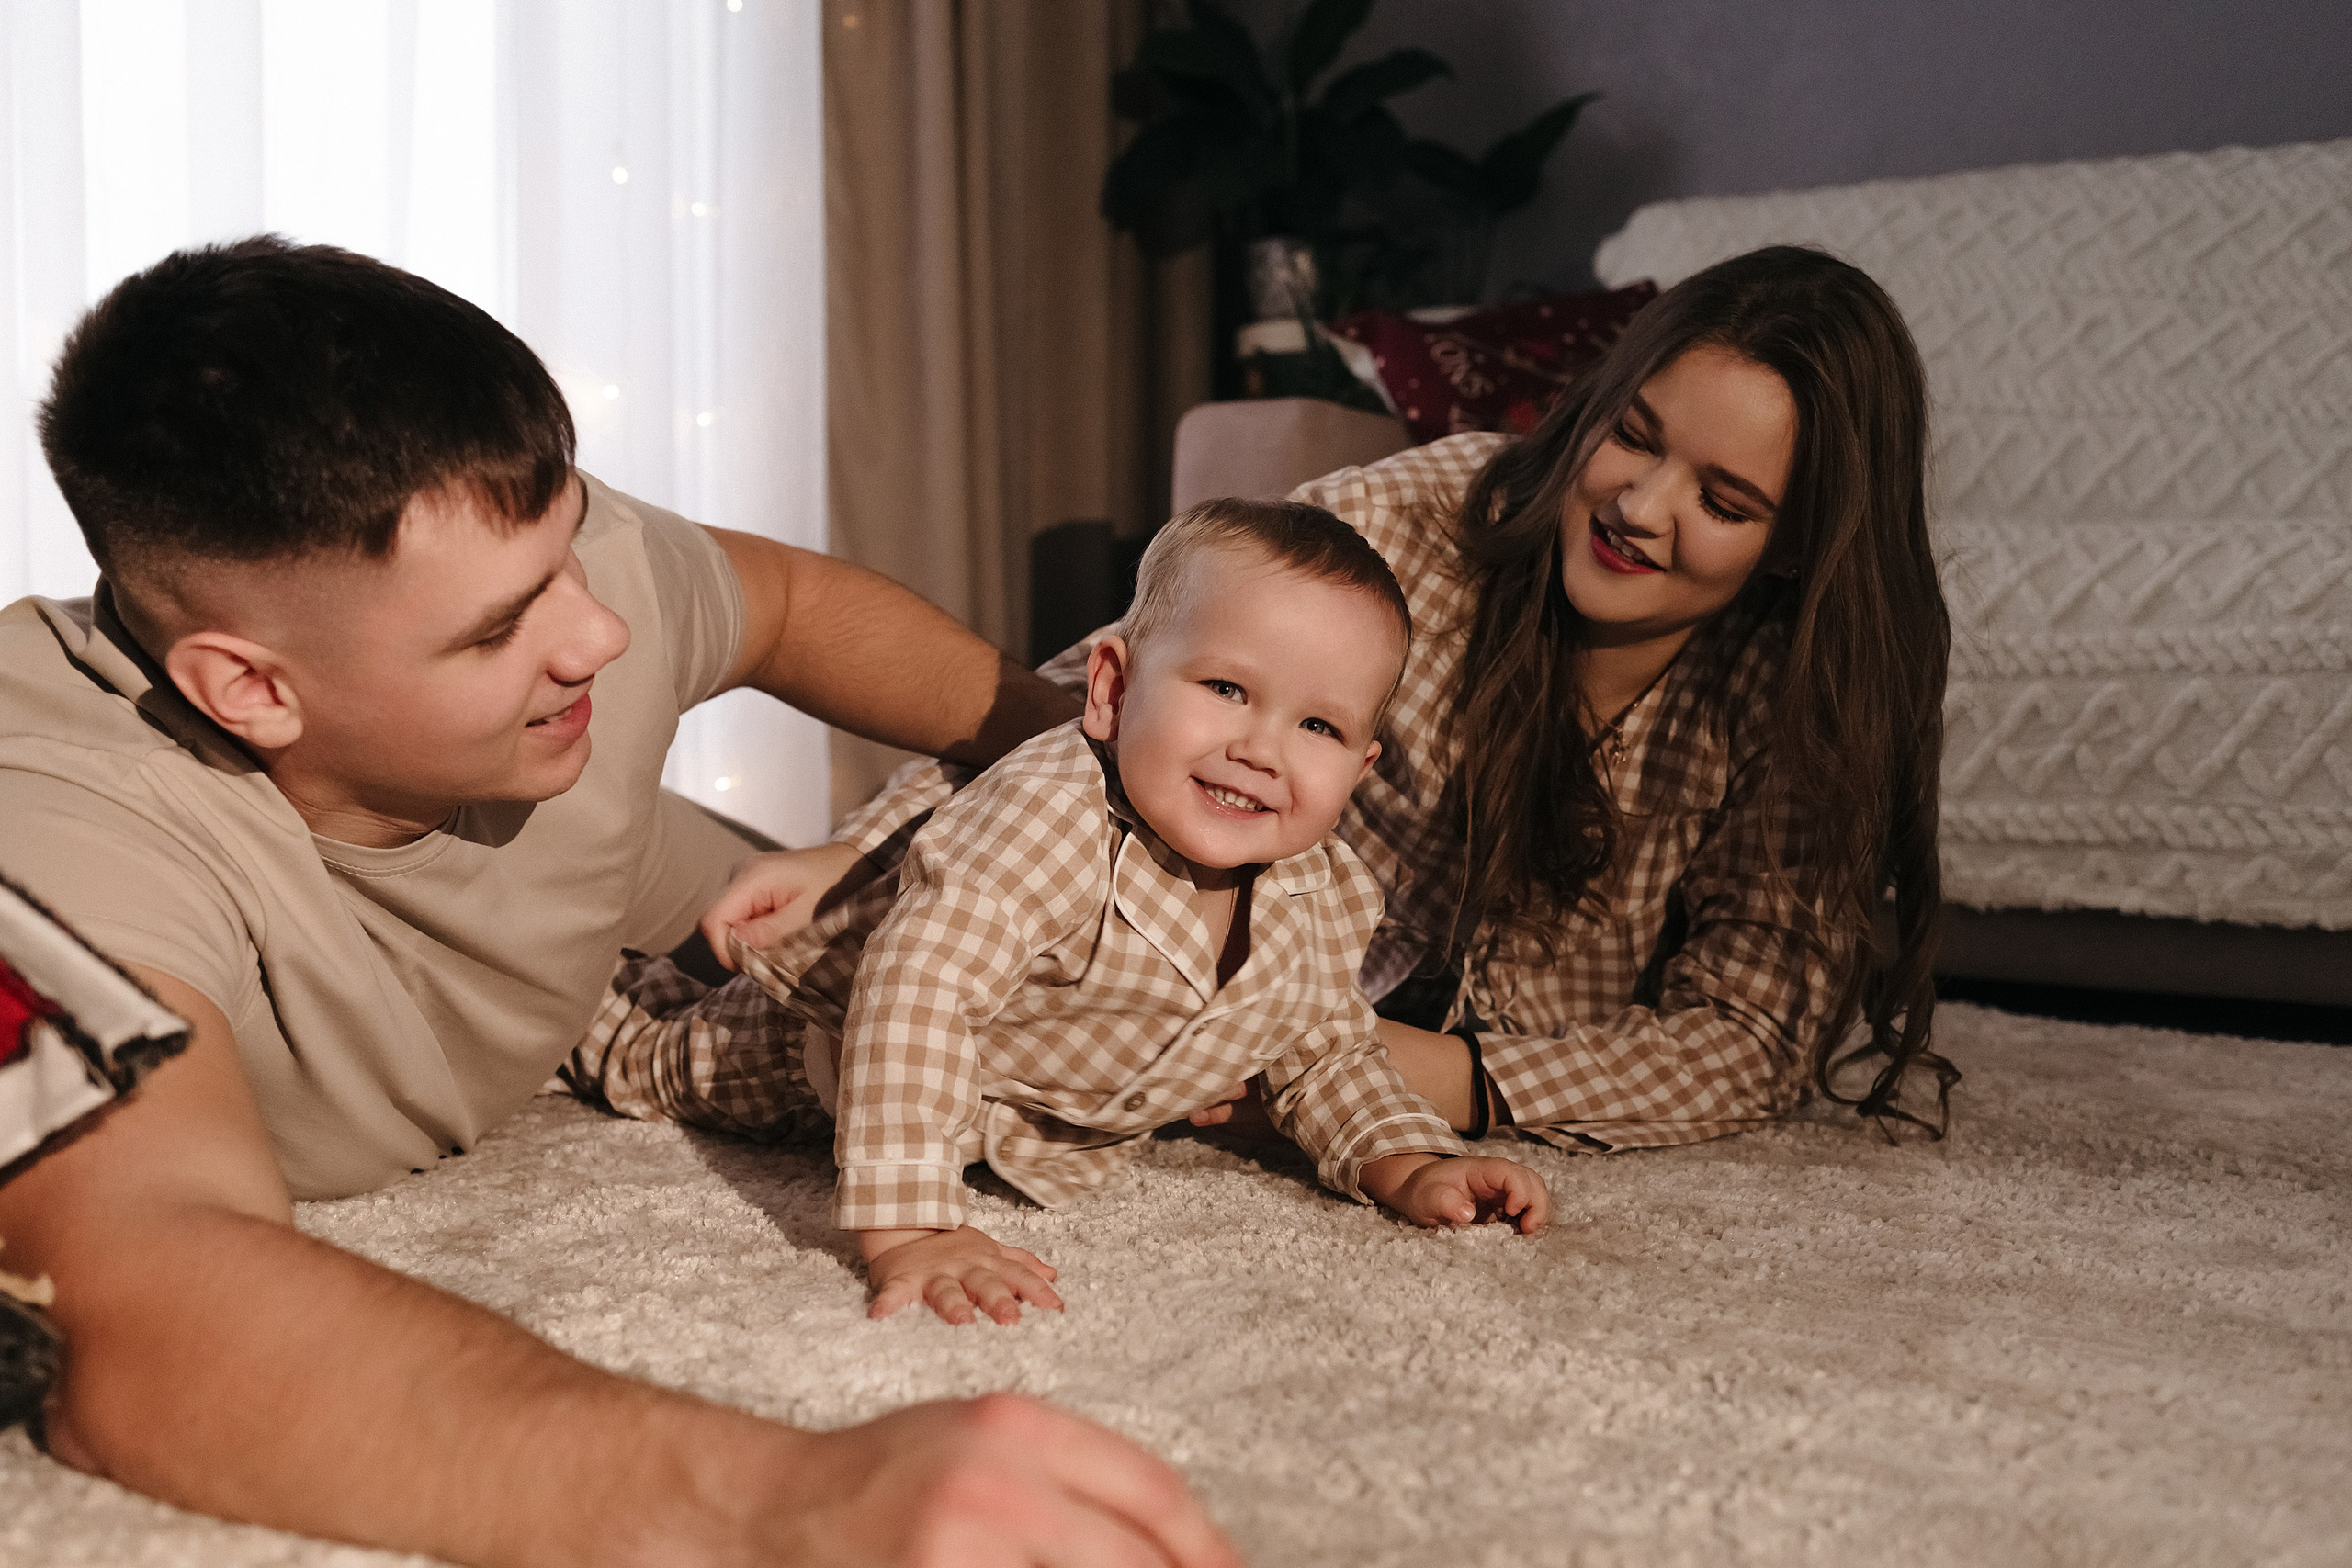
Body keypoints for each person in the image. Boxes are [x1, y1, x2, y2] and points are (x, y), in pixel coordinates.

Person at [0, 239, 1237, 1567]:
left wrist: (1101, 768)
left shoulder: (556, 578)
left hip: (653, 908)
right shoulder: (62, 817)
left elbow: (788, 605)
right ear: (251, 689)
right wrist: (786, 1504)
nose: (595, 634)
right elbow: (139, 1300)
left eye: (571, 546)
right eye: (495, 631)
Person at [745, 245, 1958, 1159]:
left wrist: (1413, 1079)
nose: (1641, 504)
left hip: (1382, 1044)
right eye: (1632, 437)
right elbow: (1100, 697)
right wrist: (863, 852)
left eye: (1725, 500)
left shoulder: (1799, 693)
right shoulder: (1417, 523)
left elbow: (1752, 1033)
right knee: (795, 1001)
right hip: (1166, 967)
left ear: (1796, 545)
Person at [571, 501, 1551, 1326]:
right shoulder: (1050, 811)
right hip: (826, 1047)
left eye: (1318, 726)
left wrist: (1409, 1161)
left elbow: (1322, 1048)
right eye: (1224, 688)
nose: (1262, 747)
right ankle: (561, 976)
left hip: (1023, 1104)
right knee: (648, 1060)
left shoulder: (1326, 894)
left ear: (1361, 768)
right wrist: (914, 1226)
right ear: (1113, 688)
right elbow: (919, 991)